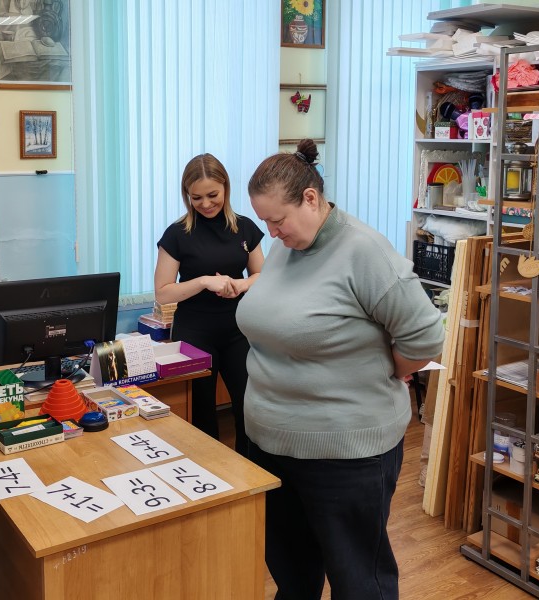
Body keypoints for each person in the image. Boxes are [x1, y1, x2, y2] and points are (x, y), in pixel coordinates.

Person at [236, 139, 445, 599]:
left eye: (277, 220)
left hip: (344, 453)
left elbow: (427, 337)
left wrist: (391, 367)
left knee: (358, 581)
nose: (271, 232)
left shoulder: (364, 251)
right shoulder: (289, 246)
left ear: (310, 199)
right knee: (293, 577)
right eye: (265, 221)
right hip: (273, 443)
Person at [154, 154, 264, 457]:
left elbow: (262, 275)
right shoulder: (177, 234)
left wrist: (240, 285)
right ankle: (209, 471)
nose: (205, 204)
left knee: (248, 406)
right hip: (194, 333)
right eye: (196, 197)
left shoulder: (244, 228)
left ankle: (250, 473)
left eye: (212, 195)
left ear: (226, 187)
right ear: (187, 195)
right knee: (201, 411)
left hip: (239, 330)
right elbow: (163, 293)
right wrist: (203, 282)